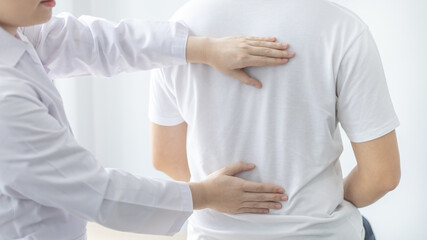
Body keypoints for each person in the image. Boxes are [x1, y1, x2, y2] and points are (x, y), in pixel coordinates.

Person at [0, 0, 298, 239]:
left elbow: (98, 42)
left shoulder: (18, 29)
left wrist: (204, 49)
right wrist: (204, 195)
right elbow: (96, 192)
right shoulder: (6, 99)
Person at [149, 0, 401, 239]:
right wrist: (325, 200)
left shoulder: (180, 29)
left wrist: (214, 196)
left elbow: (166, 158)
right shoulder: (343, 29)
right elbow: (381, 176)